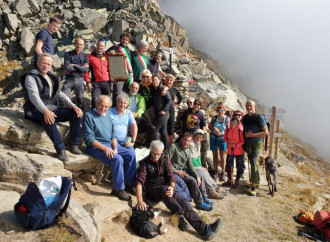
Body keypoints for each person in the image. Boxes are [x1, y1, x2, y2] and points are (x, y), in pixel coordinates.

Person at [136, 140, 222, 241]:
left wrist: (172, 187)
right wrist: (140, 200)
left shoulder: (165, 160)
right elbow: (139, 182)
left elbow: (171, 177)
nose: (155, 156)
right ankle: (179, 214)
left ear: (162, 151)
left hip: (166, 189)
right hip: (152, 191)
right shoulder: (144, 163)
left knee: (186, 204)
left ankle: (205, 229)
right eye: (153, 153)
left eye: (158, 153)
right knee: (166, 191)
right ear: (150, 150)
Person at [21, 53, 83, 162]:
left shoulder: (51, 76)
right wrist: (45, 110)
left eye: (48, 64)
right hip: (33, 110)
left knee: (75, 114)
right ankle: (61, 149)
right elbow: (33, 96)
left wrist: (73, 106)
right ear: (38, 62)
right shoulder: (31, 77)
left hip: (51, 108)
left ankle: (73, 144)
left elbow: (60, 94)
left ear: (51, 66)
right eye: (43, 62)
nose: (46, 65)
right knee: (48, 118)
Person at [82, 95, 136, 201]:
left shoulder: (107, 116)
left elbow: (113, 135)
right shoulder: (89, 116)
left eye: (106, 106)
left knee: (131, 154)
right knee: (117, 159)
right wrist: (105, 149)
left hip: (110, 145)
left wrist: (115, 147)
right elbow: (89, 139)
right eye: (101, 105)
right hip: (95, 147)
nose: (103, 108)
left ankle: (129, 183)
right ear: (96, 104)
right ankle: (117, 189)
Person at [165, 132, 213, 211]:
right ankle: (196, 203)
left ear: (191, 142)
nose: (186, 142)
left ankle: (202, 200)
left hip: (181, 172)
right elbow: (165, 162)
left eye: (188, 141)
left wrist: (196, 175)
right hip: (172, 172)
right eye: (185, 140)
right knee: (189, 182)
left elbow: (190, 165)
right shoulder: (173, 147)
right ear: (181, 139)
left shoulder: (188, 151)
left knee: (195, 179)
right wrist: (176, 171)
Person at [242, 100, 269, 196]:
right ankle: (256, 181)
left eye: (250, 106)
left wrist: (253, 135)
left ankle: (253, 186)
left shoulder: (259, 117)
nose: (249, 107)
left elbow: (266, 132)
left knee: (253, 161)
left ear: (254, 106)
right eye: (247, 105)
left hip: (257, 143)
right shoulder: (245, 118)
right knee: (252, 162)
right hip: (248, 144)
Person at [190, 129, 223, 199]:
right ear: (194, 136)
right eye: (198, 137)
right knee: (202, 173)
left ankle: (215, 187)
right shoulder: (191, 144)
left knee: (205, 171)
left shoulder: (198, 144)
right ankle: (211, 192)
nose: (199, 139)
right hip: (190, 165)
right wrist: (199, 166)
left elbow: (198, 156)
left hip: (195, 165)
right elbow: (191, 159)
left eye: (201, 137)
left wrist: (200, 165)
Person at [62, 37, 89, 110]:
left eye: (81, 44)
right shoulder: (68, 54)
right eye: (77, 44)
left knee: (80, 99)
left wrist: (74, 65)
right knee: (63, 97)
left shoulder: (85, 56)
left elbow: (86, 70)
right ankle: (62, 114)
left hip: (80, 79)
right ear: (74, 44)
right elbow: (67, 67)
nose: (79, 46)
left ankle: (80, 114)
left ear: (83, 46)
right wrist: (81, 67)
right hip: (69, 79)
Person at [85, 39, 111, 108]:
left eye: (102, 46)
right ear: (96, 45)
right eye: (99, 45)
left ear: (105, 47)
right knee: (95, 100)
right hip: (96, 84)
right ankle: (93, 117)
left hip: (107, 83)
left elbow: (110, 68)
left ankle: (105, 117)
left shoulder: (107, 56)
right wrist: (88, 82)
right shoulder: (89, 57)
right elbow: (86, 71)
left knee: (107, 102)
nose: (100, 47)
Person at [107, 32, 133, 103]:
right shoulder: (115, 47)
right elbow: (105, 54)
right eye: (123, 39)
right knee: (117, 94)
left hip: (127, 75)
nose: (125, 41)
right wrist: (110, 52)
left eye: (127, 40)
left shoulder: (128, 50)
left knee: (125, 94)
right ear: (120, 39)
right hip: (118, 75)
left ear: (129, 41)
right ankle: (114, 108)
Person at [209, 105, 230, 182]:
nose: (220, 112)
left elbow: (229, 129)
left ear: (224, 111)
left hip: (222, 138)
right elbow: (209, 126)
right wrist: (214, 128)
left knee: (222, 156)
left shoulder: (227, 119)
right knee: (215, 155)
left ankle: (223, 172)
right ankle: (216, 171)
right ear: (217, 111)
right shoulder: (214, 118)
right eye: (219, 111)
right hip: (213, 137)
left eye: (222, 111)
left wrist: (223, 134)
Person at [150, 75, 172, 149]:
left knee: (154, 129)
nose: (154, 82)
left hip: (163, 114)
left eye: (156, 80)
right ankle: (166, 149)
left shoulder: (162, 89)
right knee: (163, 132)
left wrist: (164, 110)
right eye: (153, 80)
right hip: (159, 113)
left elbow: (169, 100)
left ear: (159, 80)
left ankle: (157, 149)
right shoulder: (155, 89)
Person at [223, 118, 245, 188]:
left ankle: (237, 180)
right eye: (232, 122)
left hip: (239, 151)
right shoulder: (227, 130)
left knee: (239, 166)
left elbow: (242, 141)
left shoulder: (240, 130)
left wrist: (236, 145)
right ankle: (230, 179)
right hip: (230, 150)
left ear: (237, 123)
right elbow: (224, 138)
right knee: (229, 165)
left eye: (235, 122)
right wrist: (229, 141)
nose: (233, 124)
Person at [164, 74, 182, 144]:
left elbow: (181, 98)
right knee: (163, 129)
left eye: (171, 80)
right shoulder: (162, 88)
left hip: (171, 111)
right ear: (165, 80)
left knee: (170, 129)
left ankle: (170, 146)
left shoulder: (174, 89)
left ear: (173, 81)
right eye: (167, 79)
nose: (169, 81)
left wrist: (177, 104)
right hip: (164, 111)